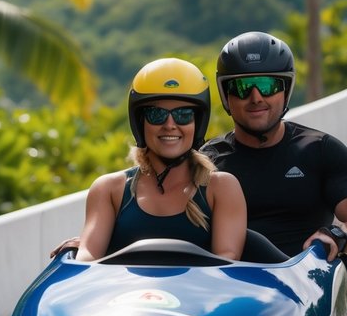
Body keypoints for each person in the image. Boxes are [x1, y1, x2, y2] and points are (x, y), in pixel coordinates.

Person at [201, 31, 347, 264]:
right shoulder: (207, 162)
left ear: (286, 90)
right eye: (243, 86)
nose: (256, 97)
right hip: (236, 289)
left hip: (307, 288)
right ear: (226, 95)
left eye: (268, 85)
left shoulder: (321, 150)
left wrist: (337, 235)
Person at [75, 57, 247, 262]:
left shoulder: (221, 187)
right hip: (127, 293)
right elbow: (88, 256)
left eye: (183, 114)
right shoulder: (109, 190)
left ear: (197, 123)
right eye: (157, 114)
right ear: (140, 123)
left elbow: (227, 261)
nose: (170, 124)